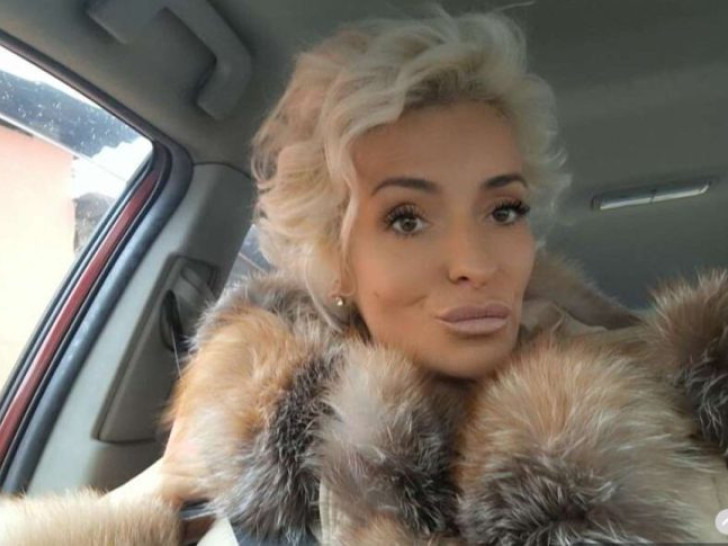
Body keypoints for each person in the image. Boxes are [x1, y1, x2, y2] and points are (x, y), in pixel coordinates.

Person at [3, 7, 728, 546]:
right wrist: (164, 488)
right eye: (407, 219)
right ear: (335, 258)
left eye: (504, 209)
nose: (477, 263)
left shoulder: (674, 422)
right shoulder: (271, 442)